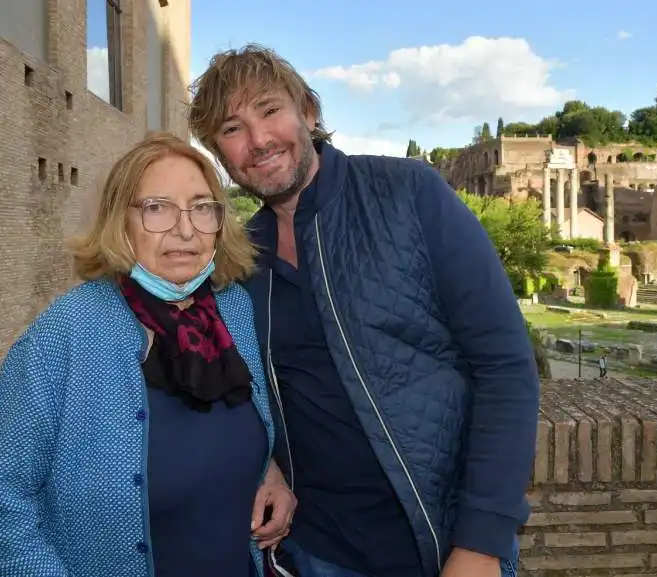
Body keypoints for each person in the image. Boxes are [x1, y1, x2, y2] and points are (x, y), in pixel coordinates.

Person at [188, 45, 541, 577]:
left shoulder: (409, 194)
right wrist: (267, 464)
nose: (258, 140)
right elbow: (235, 388)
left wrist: (482, 542)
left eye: (269, 109)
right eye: (232, 129)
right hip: (312, 553)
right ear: (221, 153)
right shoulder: (239, 255)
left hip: (440, 547)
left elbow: (505, 365)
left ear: (307, 112)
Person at [0, 132, 295, 577]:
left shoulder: (232, 309)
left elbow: (227, 431)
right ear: (121, 222)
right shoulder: (65, 335)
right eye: (157, 208)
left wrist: (266, 469)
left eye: (201, 206)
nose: (184, 228)